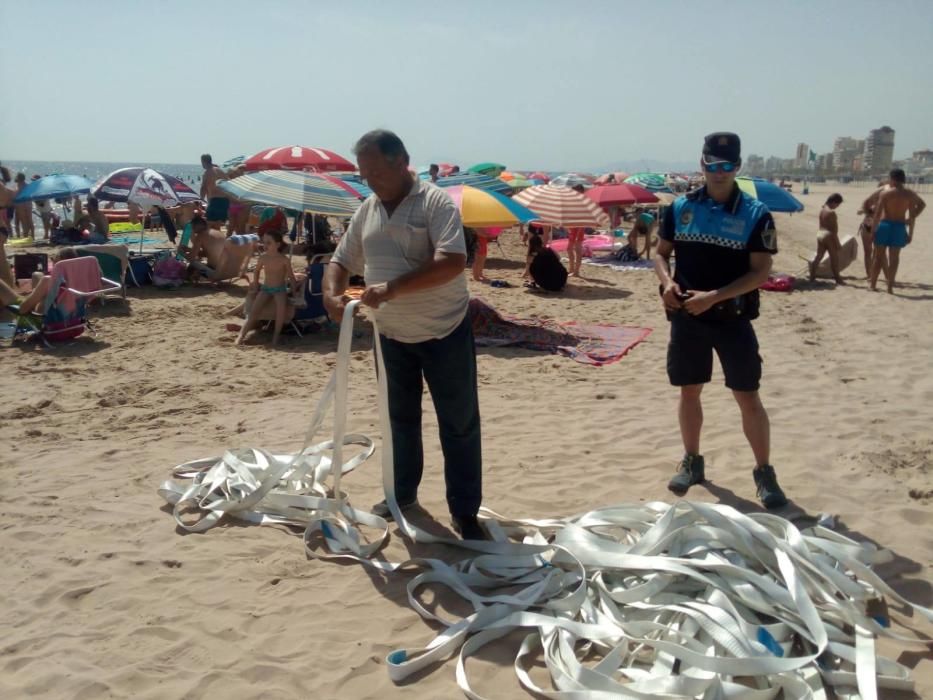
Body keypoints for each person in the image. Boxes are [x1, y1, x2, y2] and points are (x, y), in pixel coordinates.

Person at [323, 129, 485, 541]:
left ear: (402, 161)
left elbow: (452, 262)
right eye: (364, 173)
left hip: (443, 329)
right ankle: (401, 496)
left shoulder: (434, 203)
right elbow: (341, 259)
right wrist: (331, 294)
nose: (370, 179)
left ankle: (465, 512)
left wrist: (392, 289)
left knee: (459, 424)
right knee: (398, 422)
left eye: (376, 170)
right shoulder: (369, 209)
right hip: (390, 336)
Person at [655, 132, 787, 509]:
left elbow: (760, 272)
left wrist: (714, 297)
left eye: (727, 165)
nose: (719, 172)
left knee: (747, 395)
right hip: (686, 317)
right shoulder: (679, 207)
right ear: (702, 164)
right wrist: (666, 284)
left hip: (732, 318)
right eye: (713, 164)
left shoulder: (755, 214)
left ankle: (764, 472)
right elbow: (661, 255)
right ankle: (692, 461)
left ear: (738, 167)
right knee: (689, 389)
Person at [869, 169, 926, 294]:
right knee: (894, 258)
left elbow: (877, 214)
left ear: (893, 179)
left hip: (884, 225)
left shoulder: (885, 194)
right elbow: (918, 208)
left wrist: (873, 232)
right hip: (899, 227)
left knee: (878, 258)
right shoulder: (910, 194)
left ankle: (872, 285)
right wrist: (910, 229)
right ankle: (889, 287)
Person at [236, 229, 296, 346]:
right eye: (264, 242)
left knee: (280, 314)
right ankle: (241, 335)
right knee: (253, 312)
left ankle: (275, 337)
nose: (265, 245)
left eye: (269, 243)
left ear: (278, 245)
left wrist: (294, 292)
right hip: (266, 288)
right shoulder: (263, 257)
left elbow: (291, 277)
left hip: (280, 289)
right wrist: (256, 284)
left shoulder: (284, 259)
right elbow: (257, 271)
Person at [810, 193, 845, 284]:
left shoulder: (822, 210)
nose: (837, 207)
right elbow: (834, 230)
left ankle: (812, 276)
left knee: (819, 256)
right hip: (828, 235)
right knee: (834, 258)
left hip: (820, 233)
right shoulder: (831, 212)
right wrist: (837, 243)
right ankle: (838, 279)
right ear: (833, 202)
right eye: (837, 204)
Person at [857, 184, 885, 279]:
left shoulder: (885, 202)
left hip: (876, 227)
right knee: (869, 252)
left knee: (876, 253)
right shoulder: (871, 202)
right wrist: (867, 211)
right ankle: (869, 274)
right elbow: (859, 210)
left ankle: (872, 273)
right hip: (868, 227)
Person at [199, 154, 230, 230]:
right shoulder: (219, 170)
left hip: (215, 201)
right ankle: (217, 240)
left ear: (204, 162)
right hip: (225, 201)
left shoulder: (206, 173)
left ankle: (211, 241)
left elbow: (203, 188)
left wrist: (200, 201)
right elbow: (230, 183)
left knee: (208, 224)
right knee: (217, 224)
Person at [13, 173, 35, 239]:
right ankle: (32, 236)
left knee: (24, 221)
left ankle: (26, 236)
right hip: (28, 204)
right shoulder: (27, 185)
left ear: (18, 178)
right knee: (29, 220)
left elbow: (15, 195)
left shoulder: (18, 186)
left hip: (20, 204)